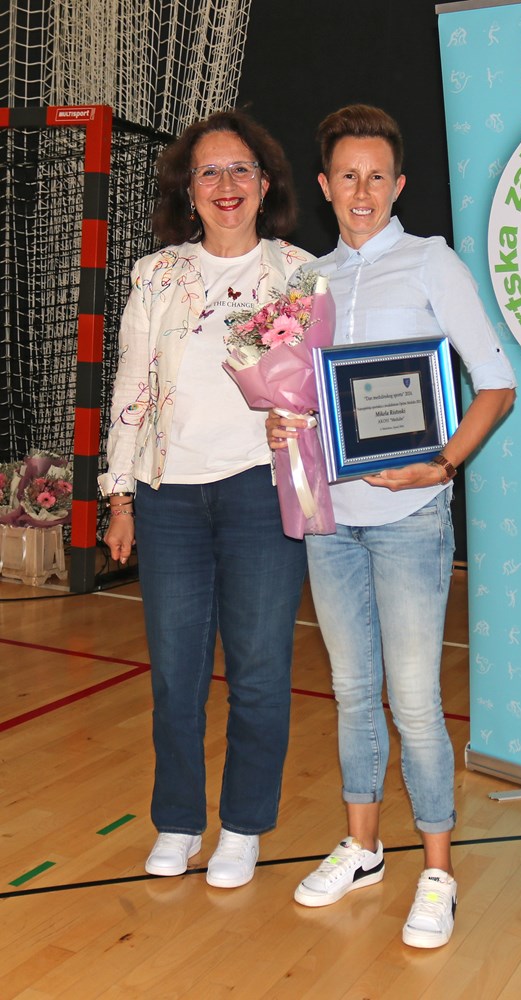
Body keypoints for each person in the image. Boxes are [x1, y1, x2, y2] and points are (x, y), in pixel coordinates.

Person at [268, 105, 516, 948]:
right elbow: (299, 395)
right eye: (348, 175)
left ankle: (438, 871)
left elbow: (496, 382)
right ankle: (364, 849)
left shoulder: (431, 261)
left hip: (410, 518)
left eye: (378, 176)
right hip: (330, 519)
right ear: (325, 184)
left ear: (399, 184)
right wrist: (285, 424)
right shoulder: (309, 279)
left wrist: (441, 465)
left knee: (413, 700)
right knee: (350, 693)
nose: (363, 190)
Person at [99, 110, 312, 888]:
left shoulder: (299, 273)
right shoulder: (157, 275)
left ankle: (244, 826)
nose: (227, 185)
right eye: (210, 172)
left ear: (266, 184)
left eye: (241, 170)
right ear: (188, 190)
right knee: (175, 673)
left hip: (262, 490)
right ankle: (179, 821)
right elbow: (132, 386)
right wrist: (120, 495)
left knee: (258, 668)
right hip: (170, 499)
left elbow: (320, 386)